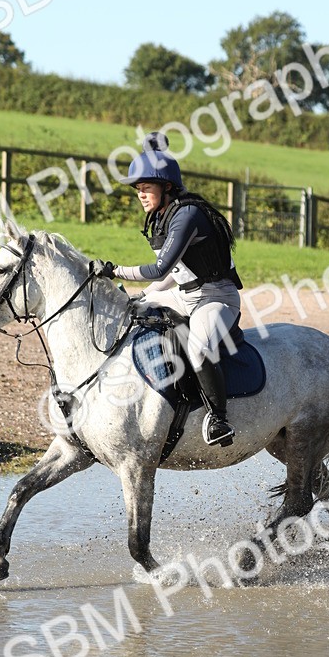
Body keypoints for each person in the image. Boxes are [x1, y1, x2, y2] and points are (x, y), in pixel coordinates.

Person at [91, 132, 242, 447]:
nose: (141, 195)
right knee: (134, 311)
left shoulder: (187, 215)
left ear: (168, 187)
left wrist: (115, 270)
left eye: (147, 188)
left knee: (199, 347)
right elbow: (172, 273)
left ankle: (219, 419)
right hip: (184, 292)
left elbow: (159, 268)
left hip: (216, 299)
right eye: (139, 190)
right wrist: (143, 296)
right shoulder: (163, 216)